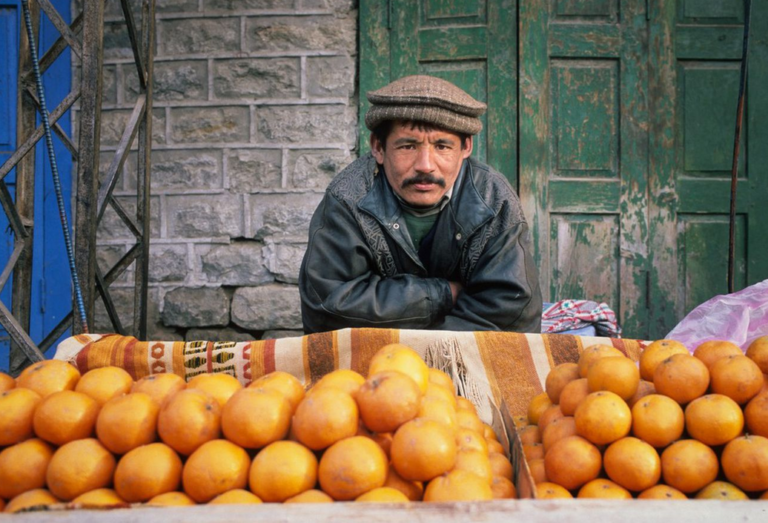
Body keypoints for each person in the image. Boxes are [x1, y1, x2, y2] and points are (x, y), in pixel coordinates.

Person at [299, 75, 542, 333]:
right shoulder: (348, 199)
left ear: (466, 147)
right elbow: (327, 303)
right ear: (378, 148)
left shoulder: (493, 200)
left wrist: (429, 354)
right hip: (380, 365)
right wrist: (443, 294)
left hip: (451, 363)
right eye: (408, 146)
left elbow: (511, 308)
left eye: (442, 146)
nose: (425, 165)